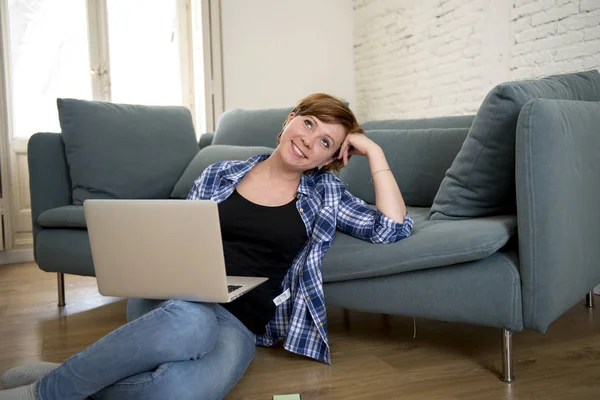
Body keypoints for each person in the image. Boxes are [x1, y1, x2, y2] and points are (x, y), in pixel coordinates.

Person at [0, 93, 413, 400]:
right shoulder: (220, 174)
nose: (310, 141)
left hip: (242, 322)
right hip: (176, 300)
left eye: (326, 142)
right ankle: (45, 395)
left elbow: (391, 229)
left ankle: (55, 379)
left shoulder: (326, 193)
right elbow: (178, 239)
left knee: (178, 393)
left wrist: (374, 151)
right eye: (308, 124)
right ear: (290, 121)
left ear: (328, 160)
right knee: (190, 325)